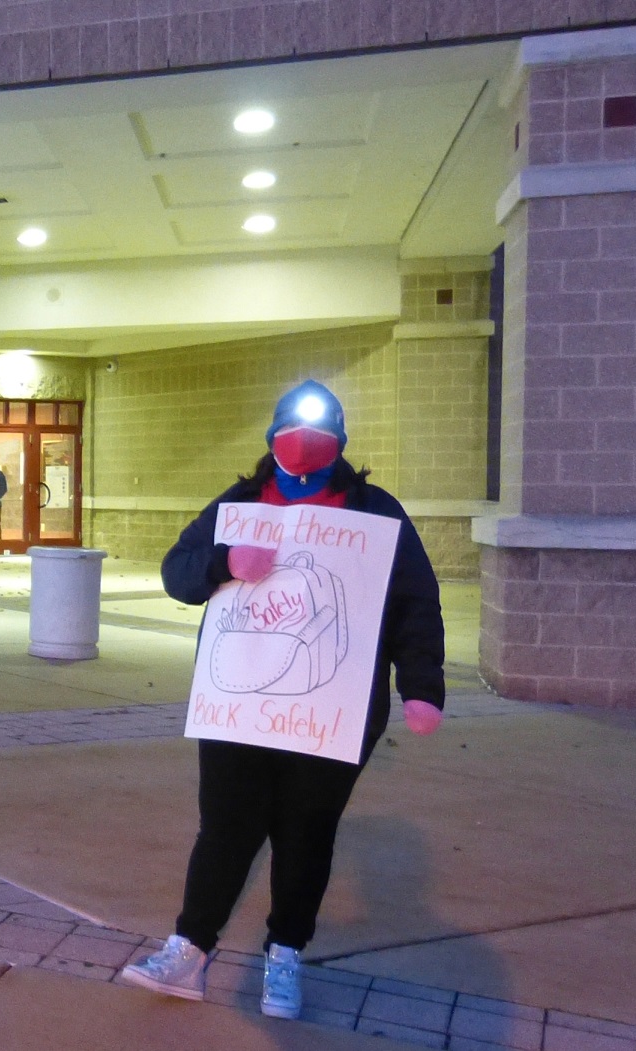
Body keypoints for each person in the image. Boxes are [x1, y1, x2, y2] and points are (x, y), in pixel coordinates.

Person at [120, 379, 445, 1020]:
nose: (303, 442)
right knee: (225, 829)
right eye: (292, 428)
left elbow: (416, 602)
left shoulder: (375, 512)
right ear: (270, 437)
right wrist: (222, 562)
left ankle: (285, 953)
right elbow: (175, 572)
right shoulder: (239, 504)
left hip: (333, 711)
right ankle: (190, 948)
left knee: (306, 833)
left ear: (341, 442)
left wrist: (421, 687)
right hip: (238, 705)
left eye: (319, 430)